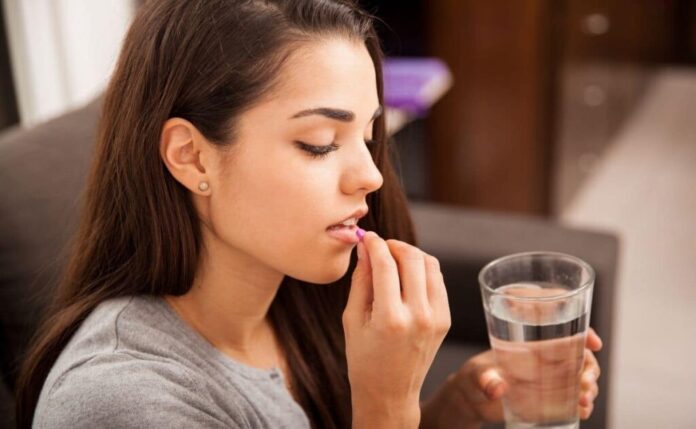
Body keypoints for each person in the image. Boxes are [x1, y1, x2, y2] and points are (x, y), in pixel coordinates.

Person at [15, 0, 602, 428]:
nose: (371, 175)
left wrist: (453, 410)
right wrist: (386, 407)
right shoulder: (122, 404)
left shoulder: (297, 297)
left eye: (369, 136)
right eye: (320, 142)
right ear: (191, 155)